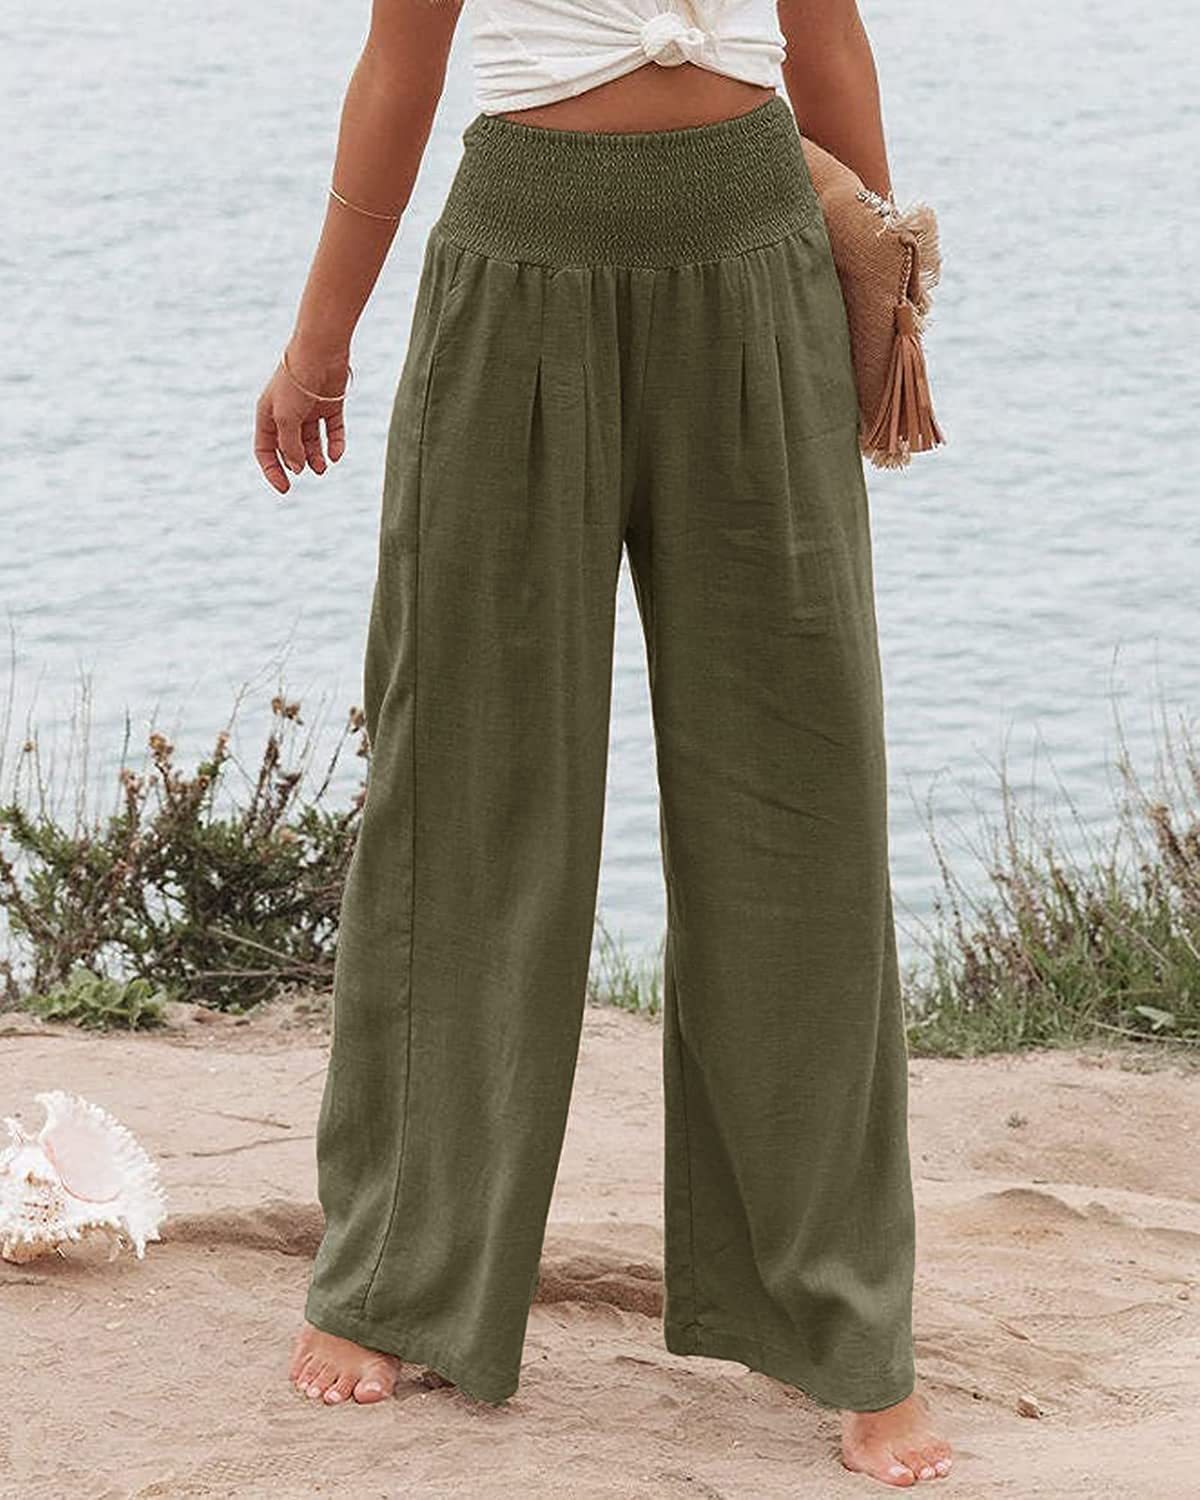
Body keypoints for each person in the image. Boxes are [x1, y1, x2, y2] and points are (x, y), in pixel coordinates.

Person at [255, 0, 953, 1486]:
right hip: (517, 263)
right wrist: (320, 341)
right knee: (464, 791)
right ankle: (396, 1278)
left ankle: (846, 1325)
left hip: (757, 252)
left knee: (804, 804)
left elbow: (827, 39)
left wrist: (881, 297)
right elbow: (399, 64)